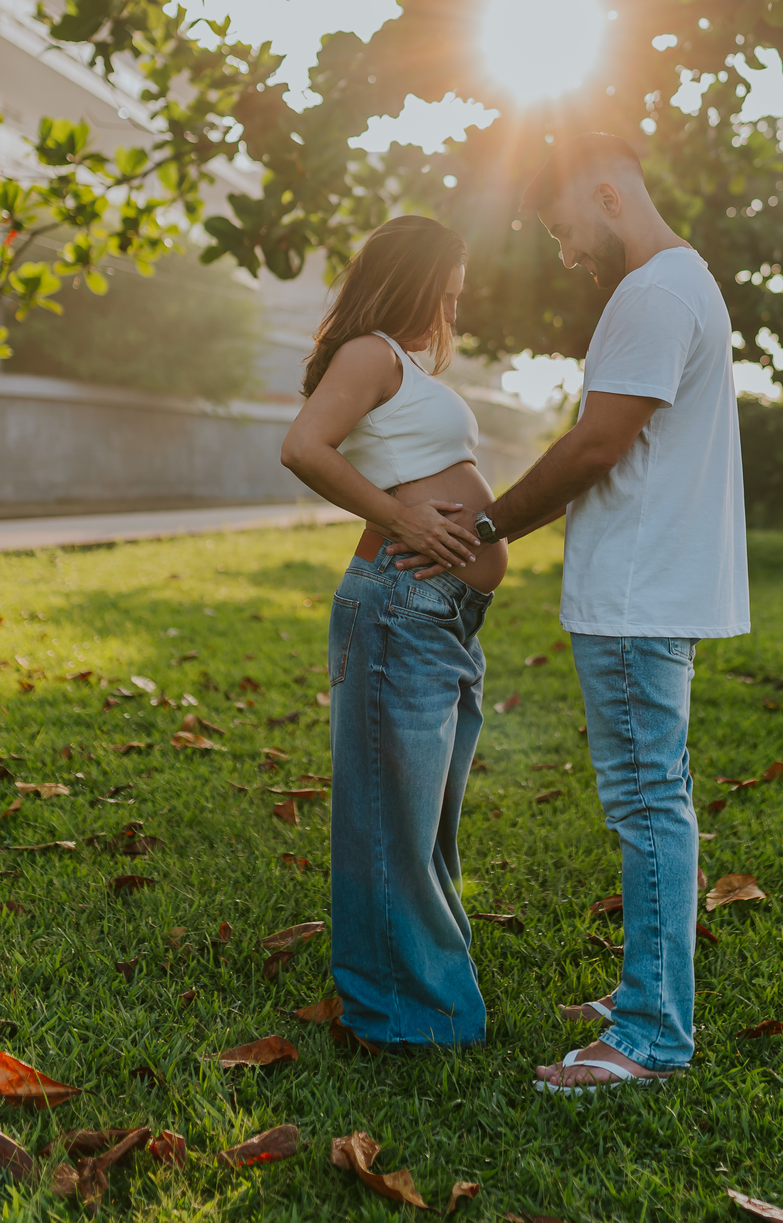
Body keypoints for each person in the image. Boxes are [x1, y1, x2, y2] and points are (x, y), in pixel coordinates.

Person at [394, 134, 749, 1090]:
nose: (564, 253)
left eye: (562, 230)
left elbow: (596, 447)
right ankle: (650, 988)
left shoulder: (652, 295)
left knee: (647, 807)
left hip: (636, 594)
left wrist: (486, 523)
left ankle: (649, 1035)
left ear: (606, 194)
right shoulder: (686, 284)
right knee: (654, 798)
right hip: (649, 588)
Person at [280, 214, 507, 1050]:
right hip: (398, 607)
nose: (460, 291)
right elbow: (304, 446)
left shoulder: (402, 363)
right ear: (417, 272)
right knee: (390, 823)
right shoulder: (371, 351)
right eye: (453, 274)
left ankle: (431, 1005)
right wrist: (402, 521)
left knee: (426, 822)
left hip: (442, 617)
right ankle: (401, 1019)